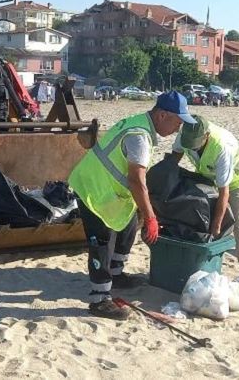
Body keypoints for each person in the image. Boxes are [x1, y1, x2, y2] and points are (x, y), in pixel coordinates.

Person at [68, 91, 194, 320]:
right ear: (163, 115)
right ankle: (99, 299)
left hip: (106, 188)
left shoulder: (139, 123)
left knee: (128, 225)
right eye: (178, 122)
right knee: (101, 241)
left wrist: (144, 213)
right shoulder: (139, 135)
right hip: (92, 188)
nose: (178, 128)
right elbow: (137, 180)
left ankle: (116, 275)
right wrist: (152, 216)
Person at [172, 115, 239, 272]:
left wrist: (216, 227)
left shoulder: (221, 148)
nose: (192, 148)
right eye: (189, 145)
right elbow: (174, 158)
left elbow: (224, 192)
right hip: (206, 175)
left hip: (232, 182)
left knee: (238, 222)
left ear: (206, 136)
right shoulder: (185, 135)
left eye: (195, 146)